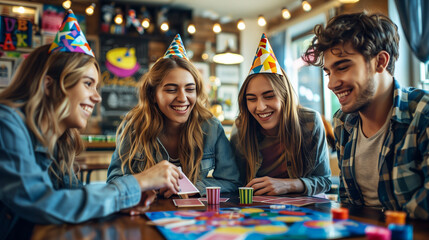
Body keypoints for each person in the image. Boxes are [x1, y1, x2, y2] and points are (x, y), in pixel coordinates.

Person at [0, 10, 181, 240]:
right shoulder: (6, 125)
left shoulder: (59, 140)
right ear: (49, 86)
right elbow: (41, 203)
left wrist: (122, 201)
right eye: (88, 84)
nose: (97, 98)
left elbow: (73, 198)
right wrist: (137, 182)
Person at [302, 12, 429, 219]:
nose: (331, 84)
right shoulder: (343, 121)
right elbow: (349, 204)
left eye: (342, 67)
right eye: (328, 72)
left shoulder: (423, 113)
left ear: (380, 61)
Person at [106, 34, 240, 197]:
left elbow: (232, 181)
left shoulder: (211, 127)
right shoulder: (134, 126)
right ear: (153, 94)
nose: (183, 98)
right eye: (171, 89)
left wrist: (193, 187)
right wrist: (147, 183)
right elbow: (114, 181)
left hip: (194, 216)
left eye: (190, 89)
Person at [230, 33, 331, 196]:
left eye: (269, 96)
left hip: (305, 213)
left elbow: (324, 181)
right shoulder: (241, 129)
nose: (260, 107)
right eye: (251, 99)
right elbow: (235, 183)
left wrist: (289, 185)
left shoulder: (310, 122)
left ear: (285, 96)